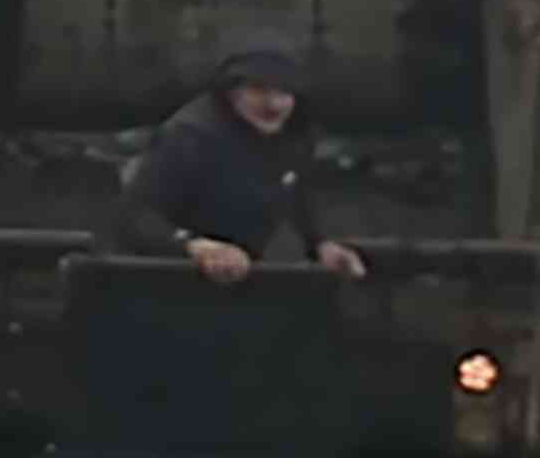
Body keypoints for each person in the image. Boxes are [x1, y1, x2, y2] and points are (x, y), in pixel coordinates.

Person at [113, 34, 368, 285]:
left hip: (251, 280)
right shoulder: (189, 137)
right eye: (259, 90)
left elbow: (296, 202)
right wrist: (195, 247)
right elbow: (138, 216)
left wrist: (321, 247)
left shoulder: (295, 137)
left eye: (284, 93)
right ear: (231, 92)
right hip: (170, 284)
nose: (274, 104)